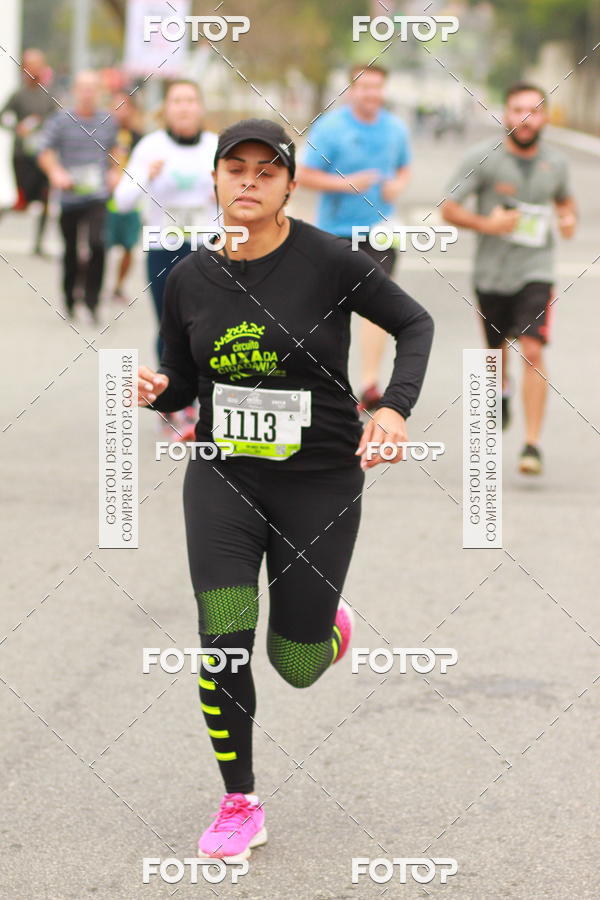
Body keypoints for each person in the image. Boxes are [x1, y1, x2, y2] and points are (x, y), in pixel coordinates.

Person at [136, 118, 433, 861]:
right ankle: (239, 800)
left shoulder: (329, 260)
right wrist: (158, 390)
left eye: (266, 172)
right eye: (234, 168)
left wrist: (394, 407)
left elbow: (416, 323)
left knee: (296, 664)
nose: (248, 181)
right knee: (223, 630)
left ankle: (326, 626)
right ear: (213, 180)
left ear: (290, 186)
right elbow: (183, 374)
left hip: (320, 477)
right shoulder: (189, 276)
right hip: (224, 473)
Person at [441, 83, 576, 475]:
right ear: (505, 114)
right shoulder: (482, 158)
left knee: (532, 350)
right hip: (491, 273)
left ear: (546, 117)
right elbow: (448, 208)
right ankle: (502, 391)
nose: (525, 118)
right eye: (518, 110)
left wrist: (568, 219)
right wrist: (489, 224)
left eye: (534, 111)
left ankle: (532, 445)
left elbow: (565, 200)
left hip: (536, 270)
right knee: (495, 351)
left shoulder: (557, 164)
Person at [296, 63, 411, 412]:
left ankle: (370, 384)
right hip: (335, 232)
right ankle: (330, 382)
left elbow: (404, 167)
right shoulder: (330, 128)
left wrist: (398, 185)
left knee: (377, 307)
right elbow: (302, 175)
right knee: (333, 310)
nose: (371, 94)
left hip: (379, 231)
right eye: (364, 88)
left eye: (377, 88)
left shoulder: (395, 128)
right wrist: (345, 184)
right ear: (351, 91)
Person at [114, 79, 217, 440]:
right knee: (170, 329)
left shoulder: (216, 146)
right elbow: (122, 201)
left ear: (200, 106)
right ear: (166, 108)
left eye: (191, 100)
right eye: (177, 101)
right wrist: (146, 174)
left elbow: (237, 200)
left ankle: (205, 402)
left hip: (208, 248)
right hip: (164, 248)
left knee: (208, 327)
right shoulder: (150, 147)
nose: (185, 107)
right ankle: (172, 400)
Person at [37, 71, 119, 321]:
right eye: (83, 88)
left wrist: (115, 172)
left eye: (92, 88)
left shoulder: (108, 120)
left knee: (97, 244)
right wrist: (56, 172)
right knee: (71, 250)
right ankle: (70, 297)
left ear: (99, 92)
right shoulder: (60, 120)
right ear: (74, 91)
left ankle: (92, 300)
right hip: (70, 195)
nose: (87, 93)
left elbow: (116, 151)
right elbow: (45, 151)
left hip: (97, 195)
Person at [0, 49, 55, 255]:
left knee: (45, 197)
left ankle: (39, 244)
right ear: (24, 68)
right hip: (22, 156)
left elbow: (57, 120)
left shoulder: (48, 95)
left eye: (39, 64)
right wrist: (17, 129)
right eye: (32, 65)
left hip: (42, 155)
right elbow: (2, 118)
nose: (36, 69)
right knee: (22, 203)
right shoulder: (18, 95)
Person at [105, 92, 143, 303]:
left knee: (129, 246)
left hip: (131, 202)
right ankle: (96, 284)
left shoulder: (139, 138)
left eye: (124, 106)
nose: (119, 110)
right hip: (105, 199)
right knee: (99, 244)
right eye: (115, 105)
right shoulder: (101, 133)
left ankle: (118, 286)